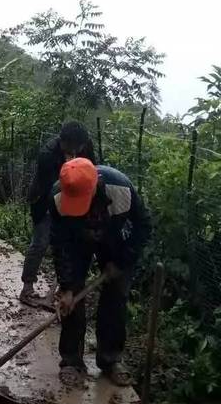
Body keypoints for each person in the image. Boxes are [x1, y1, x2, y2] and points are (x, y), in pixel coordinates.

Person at [50, 157, 151, 386]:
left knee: (116, 296)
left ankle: (110, 359)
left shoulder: (121, 189)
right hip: (77, 243)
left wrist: (122, 261)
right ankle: (71, 361)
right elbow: (59, 242)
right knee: (72, 299)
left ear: (95, 186)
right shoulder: (57, 197)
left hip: (115, 242)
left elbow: (144, 226)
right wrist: (66, 286)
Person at [19, 122, 96, 306]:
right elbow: (53, 190)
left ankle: (61, 289)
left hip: (75, 201)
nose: (79, 150)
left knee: (71, 244)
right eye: (75, 147)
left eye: (81, 147)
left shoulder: (85, 147)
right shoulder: (47, 155)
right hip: (45, 200)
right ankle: (27, 288)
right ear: (64, 142)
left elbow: (92, 171)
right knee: (41, 242)